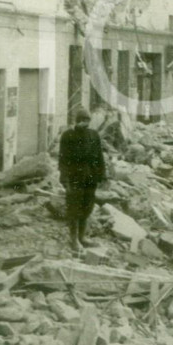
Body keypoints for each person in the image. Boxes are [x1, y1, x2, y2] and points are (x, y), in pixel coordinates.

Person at [58, 108, 107, 253]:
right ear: (76, 121)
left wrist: (102, 176)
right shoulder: (68, 136)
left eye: (86, 121)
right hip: (74, 178)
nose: (84, 123)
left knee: (87, 207)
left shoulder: (94, 135)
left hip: (90, 177)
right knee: (74, 208)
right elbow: (63, 159)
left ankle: (82, 237)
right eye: (81, 121)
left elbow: (99, 157)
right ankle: (74, 239)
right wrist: (64, 179)